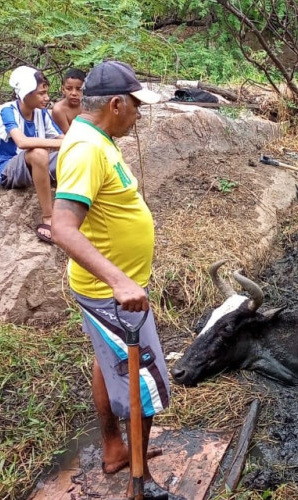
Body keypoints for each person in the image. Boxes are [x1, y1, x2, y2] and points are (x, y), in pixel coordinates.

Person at [51, 61, 181, 500]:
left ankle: (114, 449)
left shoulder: (97, 139)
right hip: (114, 297)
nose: (139, 115)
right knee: (145, 386)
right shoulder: (87, 148)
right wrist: (120, 282)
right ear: (116, 103)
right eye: (136, 107)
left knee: (107, 365)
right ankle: (138, 487)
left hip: (108, 291)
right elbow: (63, 227)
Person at [0, 66, 63, 244]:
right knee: (38, 153)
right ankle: (48, 217)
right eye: (40, 93)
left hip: (30, 167)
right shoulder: (8, 111)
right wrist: (63, 143)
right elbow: (21, 142)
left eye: (46, 92)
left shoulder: (41, 112)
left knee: (74, 153)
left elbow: (62, 137)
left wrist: (80, 142)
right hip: (6, 170)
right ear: (25, 93)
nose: (46, 98)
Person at [52, 68, 86, 134]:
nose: (74, 93)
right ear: (63, 89)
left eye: (79, 89)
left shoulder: (89, 106)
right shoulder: (59, 110)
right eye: (69, 89)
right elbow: (69, 136)